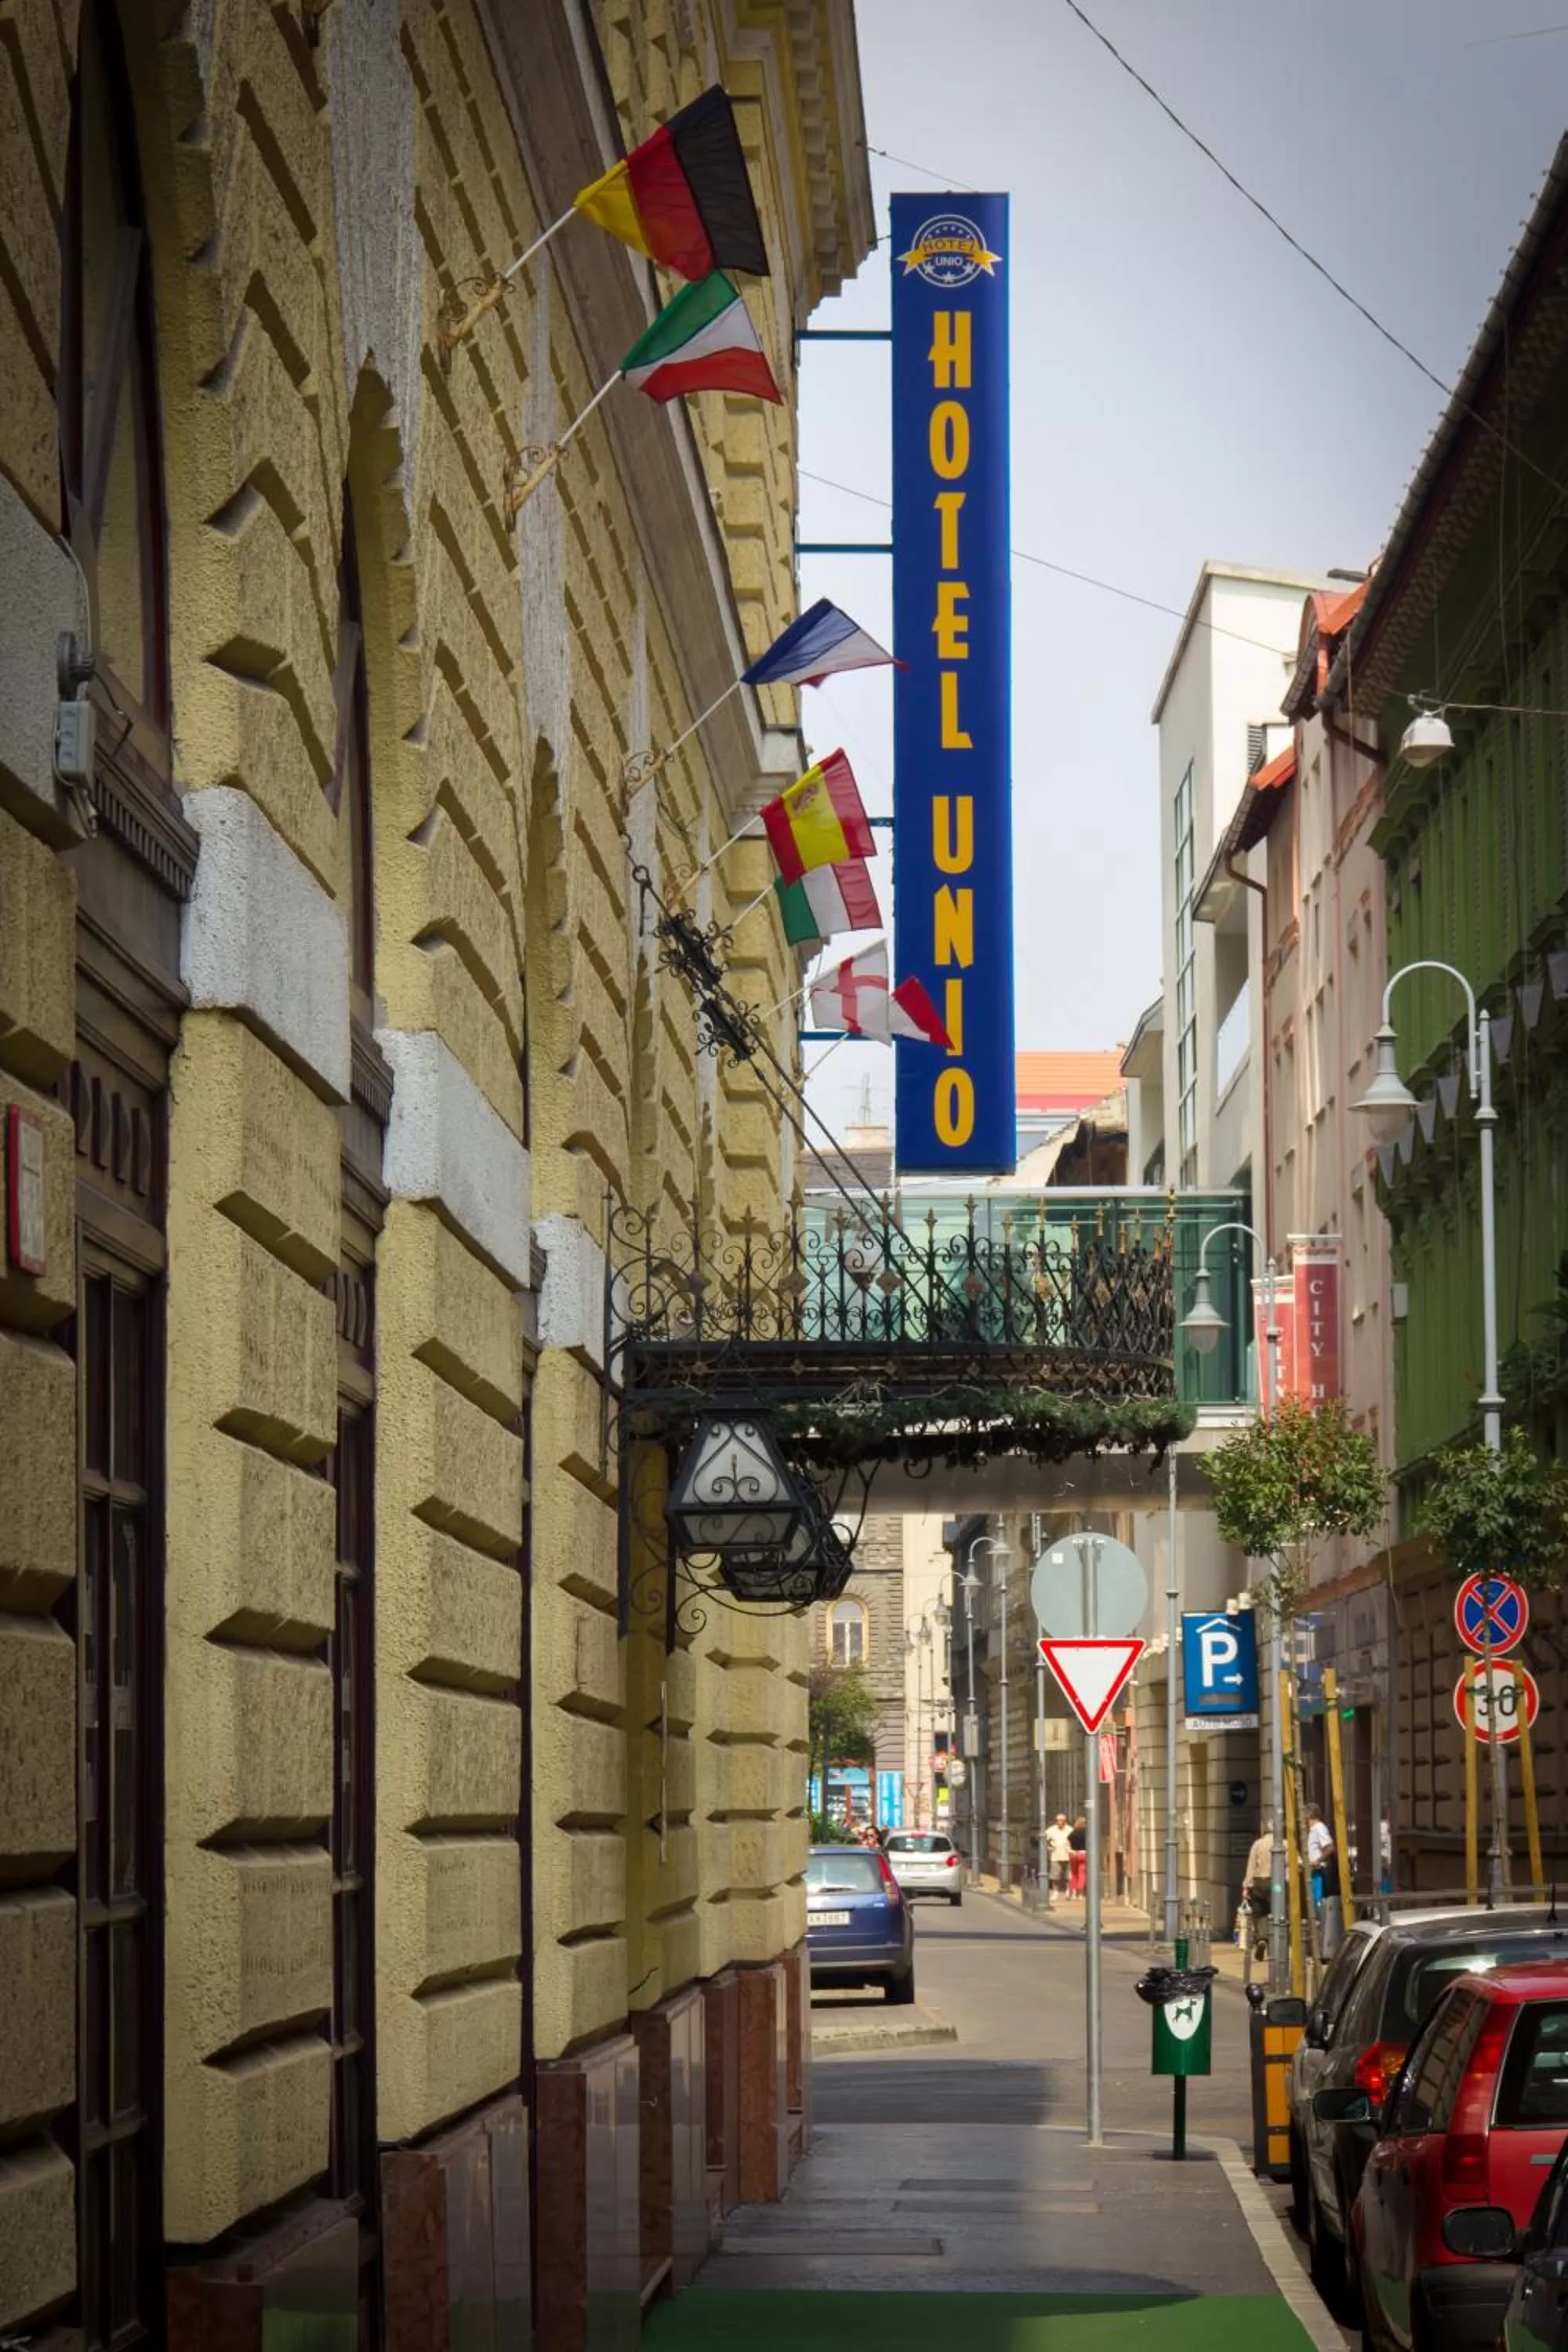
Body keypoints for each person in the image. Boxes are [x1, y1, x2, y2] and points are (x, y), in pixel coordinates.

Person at [1243, 1818, 1274, 1958]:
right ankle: (1276, 1943)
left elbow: (1251, 1867)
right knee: (1277, 1913)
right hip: (1277, 1884)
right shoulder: (1285, 1844)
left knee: (1260, 1912)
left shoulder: (1258, 1844)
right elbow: (1296, 1864)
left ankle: (1262, 1938)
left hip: (1259, 1882)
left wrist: (1246, 1887)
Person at [1306, 1805, 1334, 1907]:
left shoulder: (1319, 1828)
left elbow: (1330, 1847)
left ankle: (1322, 1920)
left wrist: (1318, 1860)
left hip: (1319, 1870)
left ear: (1309, 1816)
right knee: (1315, 1898)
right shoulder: (1313, 1830)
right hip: (1314, 1870)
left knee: (1318, 1899)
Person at [1044, 1812, 1072, 1904]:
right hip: (1056, 1856)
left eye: (1062, 1820)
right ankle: (1055, 1892)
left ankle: (1068, 1892)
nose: (1060, 1822)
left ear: (1065, 1821)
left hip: (1068, 1856)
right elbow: (1044, 1839)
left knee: (1068, 1876)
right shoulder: (1051, 1830)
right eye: (1058, 1820)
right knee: (1055, 1876)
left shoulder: (1070, 1830)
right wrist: (1048, 1847)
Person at [1068, 1813, 1087, 1898]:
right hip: (1084, 1854)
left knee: (1074, 1873)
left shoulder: (1072, 1833)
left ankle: (1074, 1892)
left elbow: (1067, 1844)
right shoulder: (1087, 1833)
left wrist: (1071, 1851)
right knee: (1082, 1874)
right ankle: (1081, 1893)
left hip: (1074, 1854)